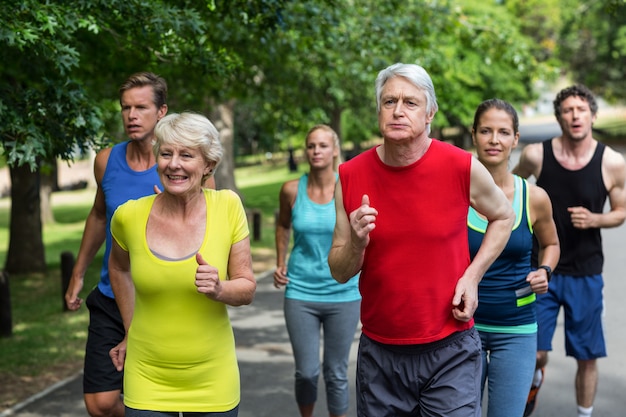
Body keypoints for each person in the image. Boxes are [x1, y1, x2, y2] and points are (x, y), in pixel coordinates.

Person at [327, 62, 515, 417]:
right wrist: (356, 242)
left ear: (430, 112)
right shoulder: (350, 176)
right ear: (378, 110)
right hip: (380, 354)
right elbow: (339, 271)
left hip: (451, 349)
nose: (398, 110)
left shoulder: (461, 166)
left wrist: (472, 277)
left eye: (410, 103)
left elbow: (504, 216)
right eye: (389, 101)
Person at [108, 112, 256, 416]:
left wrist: (219, 288)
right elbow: (119, 268)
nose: (173, 164)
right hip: (146, 376)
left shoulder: (227, 207)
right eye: (166, 153)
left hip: (212, 378)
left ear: (208, 166)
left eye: (186, 155)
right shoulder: (129, 216)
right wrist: (130, 328)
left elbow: (247, 287)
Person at [513, 85, 626, 417]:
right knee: (533, 351)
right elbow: (511, 191)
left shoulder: (612, 162)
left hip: (586, 272)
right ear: (559, 116)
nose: (575, 116)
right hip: (539, 269)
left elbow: (621, 211)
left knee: (587, 355)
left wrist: (596, 219)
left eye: (581, 109)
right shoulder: (536, 155)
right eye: (567, 110)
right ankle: (534, 377)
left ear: (592, 115)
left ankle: (584, 414)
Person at [64, 72, 169, 417]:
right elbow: (98, 216)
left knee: (161, 397)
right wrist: (78, 273)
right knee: (101, 403)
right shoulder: (107, 160)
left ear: (161, 112)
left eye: (141, 107)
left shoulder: (178, 164)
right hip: (111, 295)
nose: (131, 116)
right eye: (126, 108)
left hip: (162, 298)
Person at [469, 99, 560, 417]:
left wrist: (545, 270)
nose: (494, 140)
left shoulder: (533, 197)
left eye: (503, 132)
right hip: (463, 328)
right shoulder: (455, 194)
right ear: (474, 135)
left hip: (517, 328)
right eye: (486, 131)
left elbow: (551, 244)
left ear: (515, 139)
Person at [274, 125, 361, 417]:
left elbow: (363, 237)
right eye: (311, 146)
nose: (316, 151)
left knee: (336, 373)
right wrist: (280, 261)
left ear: (335, 149)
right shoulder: (290, 190)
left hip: (344, 293)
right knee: (306, 373)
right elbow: (283, 225)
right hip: (300, 292)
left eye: (323, 145)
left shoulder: (349, 187)